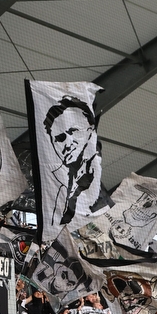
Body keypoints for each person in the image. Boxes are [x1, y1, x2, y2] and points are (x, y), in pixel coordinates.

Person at [43, 97, 98, 226]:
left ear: (90, 132)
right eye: (60, 138)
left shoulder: (95, 179)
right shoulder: (52, 182)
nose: (68, 143)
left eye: (73, 131)